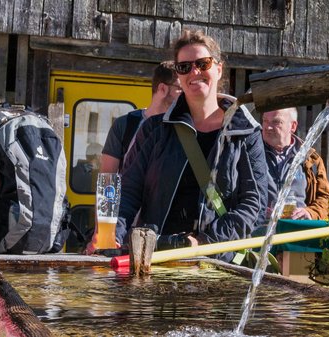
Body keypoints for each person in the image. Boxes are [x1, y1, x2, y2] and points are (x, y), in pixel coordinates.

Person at [86, 30, 268, 261]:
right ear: (179, 76)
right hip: (155, 255)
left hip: (214, 262)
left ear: (219, 69)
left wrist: (204, 243)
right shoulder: (155, 129)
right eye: (184, 67)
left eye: (203, 63)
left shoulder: (246, 133)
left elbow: (254, 205)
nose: (194, 72)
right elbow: (129, 191)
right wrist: (115, 235)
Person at [100, 62, 181, 173]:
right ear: (162, 88)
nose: (186, 95)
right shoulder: (125, 124)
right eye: (181, 89)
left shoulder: (184, 128)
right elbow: (108, 178)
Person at [262, 107, 329, 220]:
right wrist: (258, 212)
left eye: (276, 122)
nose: (268, 127)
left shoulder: (311, 158)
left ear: (293, 126)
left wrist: (309, 212)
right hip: (258, 231)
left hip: (297, 230)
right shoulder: (249, 154)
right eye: (265, 121)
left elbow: (325, 198)